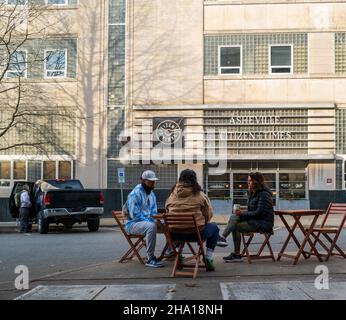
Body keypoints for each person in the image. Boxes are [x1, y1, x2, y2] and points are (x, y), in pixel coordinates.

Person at [165, 169, 227, 271]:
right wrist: (204, 221)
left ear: (180, 179)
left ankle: (177, 253)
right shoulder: (200, 195)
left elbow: (167, 210)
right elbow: (208, 215)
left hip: (175, 234)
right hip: (195, 234)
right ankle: (208, 257)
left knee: (180, 226)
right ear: (194, 180)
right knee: (214, 227)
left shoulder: (171, 195)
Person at [217, 172, 274, 262]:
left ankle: (235, 253)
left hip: (263, 223)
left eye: (250, 181)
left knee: (236, 225)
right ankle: (223, 239)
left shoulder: (264, 194)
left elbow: (259, 213)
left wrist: (242, 213)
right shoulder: (252, 193)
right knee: (234, 217)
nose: (248, 183)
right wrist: (241, 213)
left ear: (257, 182)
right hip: (255, 220)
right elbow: (252, 211)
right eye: (248, 181)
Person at [125, 170, 163, 268]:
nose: (153, 183)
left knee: (167, 223)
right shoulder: (135, 194)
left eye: (154, 181)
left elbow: (153, 212)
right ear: (144, 181)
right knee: (151, 226)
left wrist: (157, 220)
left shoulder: (151, 194)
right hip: (132, 224)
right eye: (151, 181)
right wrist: (153, 221)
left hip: (145, 222)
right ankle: (150, 258)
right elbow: (134, 215)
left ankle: (170, 251)